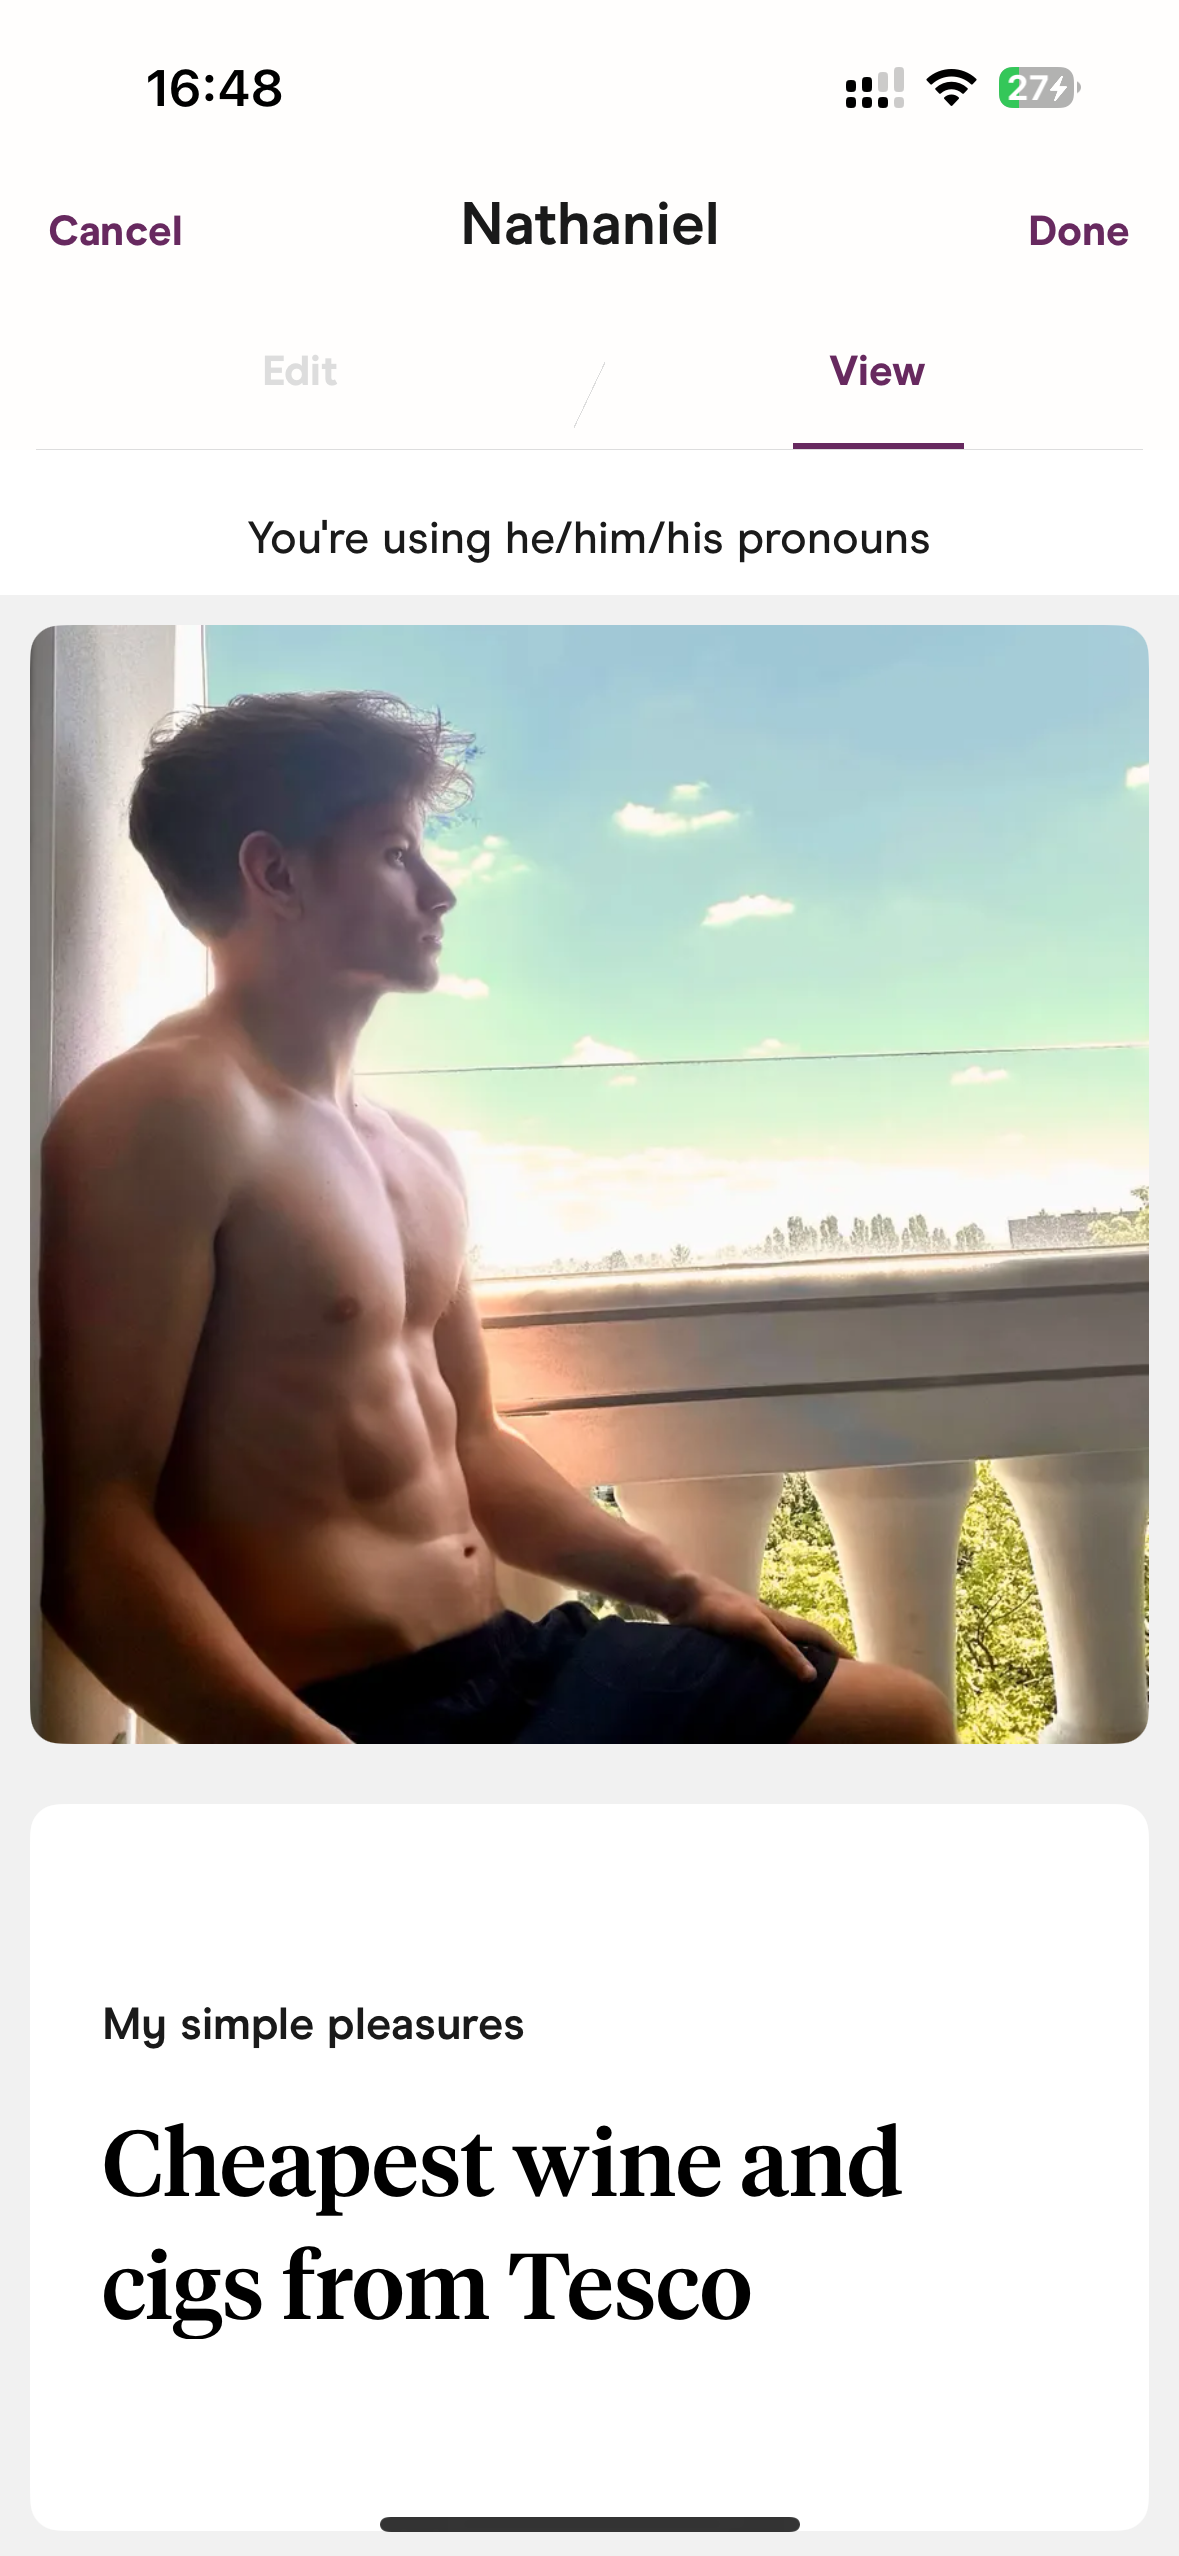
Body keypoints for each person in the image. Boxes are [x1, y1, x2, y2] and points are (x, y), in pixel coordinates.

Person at [39, 690, 955, 1746]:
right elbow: (92, 1527)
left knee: (897, 1718)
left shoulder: (415, 1152)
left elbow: (473, 1441)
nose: (442, 889)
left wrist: (683, 1588)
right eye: (396, 853)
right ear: (275, 874)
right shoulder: (163, 1112)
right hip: (349, 1712)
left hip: (511, 1658)